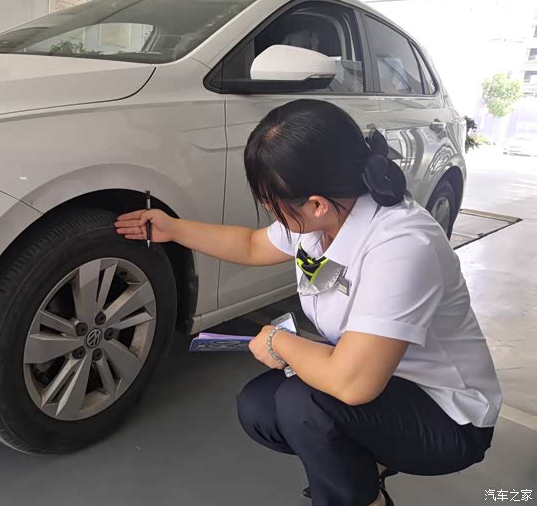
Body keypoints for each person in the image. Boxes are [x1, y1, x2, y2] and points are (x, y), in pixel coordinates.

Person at [115, 99, 501, 506]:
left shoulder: (402, 246)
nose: (268, 210)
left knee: (305, 404)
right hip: (381, 379)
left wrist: (278, 342)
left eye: (270, 202)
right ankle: (360, 468)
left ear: (315, 204)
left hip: (447, 415)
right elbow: (251, 245)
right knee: (260, 407)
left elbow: (352, 385)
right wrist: (173, 229)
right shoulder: (326, 215)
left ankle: (360, 499)